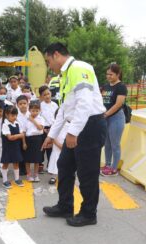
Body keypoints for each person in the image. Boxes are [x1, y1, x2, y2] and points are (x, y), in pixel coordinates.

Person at [41, 42, 106, 227]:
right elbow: (64, 108)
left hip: (90, 126)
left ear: (56, 55)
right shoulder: (66, 74)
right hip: (78, 125)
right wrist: (52, 135)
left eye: (48, 61)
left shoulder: (79, 68)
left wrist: (73, 133)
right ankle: (65, 206)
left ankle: (88, 213)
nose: (49, 66)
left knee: (87, 172)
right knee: (64, 165)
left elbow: (84, 104)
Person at [101, 63, 127, 177]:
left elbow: (118, 104)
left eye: (111, 74)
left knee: (115, 144)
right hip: (105, 117)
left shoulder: (121, 87)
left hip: (116, 118)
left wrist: (106, 114)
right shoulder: (105, 87)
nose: (109, 76)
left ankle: (114, 168)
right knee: (107, 143)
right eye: (107, 74)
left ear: (118, 74)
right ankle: (107, 165)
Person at [0, 105, 26, 189]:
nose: (14, 117)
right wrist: (20, 135)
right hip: (8, 148)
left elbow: (22, 135)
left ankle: (17, 179)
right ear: (7, 115)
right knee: (6, 163)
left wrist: (23, 142)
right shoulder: (5, 125)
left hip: (16, 147)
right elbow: (10, 137)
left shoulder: (17, 123)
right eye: (12, 115)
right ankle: (4, 180)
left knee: (16, 163)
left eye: (16, 115)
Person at [23, 100, 45, 182]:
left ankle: (36, 175)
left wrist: (32, 120)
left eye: (37, 110)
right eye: (33, 110)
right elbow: (24, 132)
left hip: (38, 139)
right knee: (27, 159)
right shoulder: (26, 119)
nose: (35, 112)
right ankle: (28, 175)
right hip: (29, 139)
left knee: (37, 159)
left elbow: (40, 128)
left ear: (39, 110)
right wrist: (24, 142)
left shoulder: (41, 118)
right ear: (29, 110)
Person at [39, 85, 58, 172]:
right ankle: (40, 164)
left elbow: (57, 118)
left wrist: (53, 129)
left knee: (51, 148)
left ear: (51, 94)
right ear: (41, 96)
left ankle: (50, 164)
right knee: (42, 147)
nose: (47, 96)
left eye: (48, 94)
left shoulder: (55, 105)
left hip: (52, 129)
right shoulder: (40, 106)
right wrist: (43, 129)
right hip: (43, 129)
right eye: (44, 94)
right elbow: (38, 118)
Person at [47, 109, 68, 185]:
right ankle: (54, 176)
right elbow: (52, 136)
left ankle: (64, 177)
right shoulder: (55, 125)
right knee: (55, 161)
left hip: (66, 145)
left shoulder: (70, 125)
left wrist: (64, 146)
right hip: (56, 146)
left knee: (66, 162)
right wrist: (57, 144)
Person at [16, 95, 29, 176]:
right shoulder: (16, 114)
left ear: (27, 103)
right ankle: (21, 168)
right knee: (20, 152)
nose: (23, 105)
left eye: (24, 103)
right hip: (19, 136)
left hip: (29, 135)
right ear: (17, 105)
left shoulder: (30, 113)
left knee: (27, 152)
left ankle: (27, 168)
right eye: (20, 104)